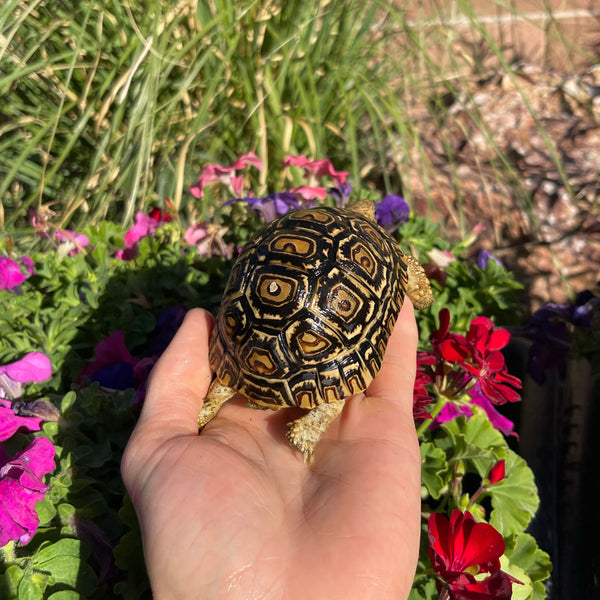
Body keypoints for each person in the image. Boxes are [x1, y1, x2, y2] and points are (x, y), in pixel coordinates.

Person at [121, 301, 422, 600]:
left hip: (251, 351)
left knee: (230, 379)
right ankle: (310, 423)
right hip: (320, 358)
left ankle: (224, 397)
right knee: (332, 394)